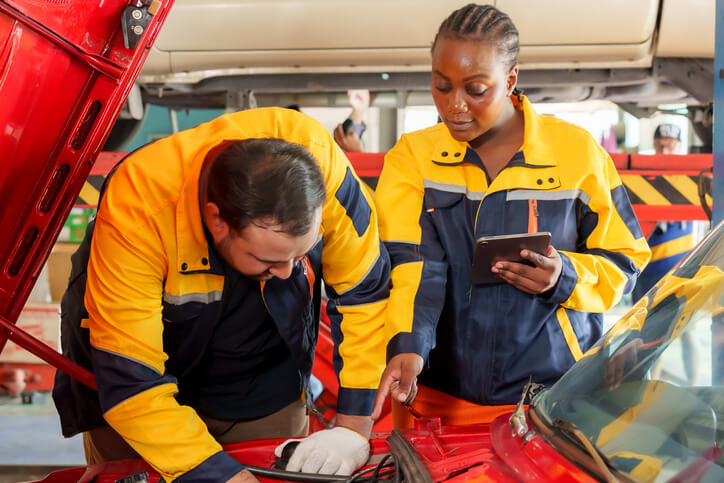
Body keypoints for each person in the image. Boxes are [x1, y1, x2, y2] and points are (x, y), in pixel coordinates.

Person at [53, 107, 390, 482]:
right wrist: (221, 476)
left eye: (301, 255)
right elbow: (132, 384)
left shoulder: (322, 163)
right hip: (138, 394)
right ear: (217, 221)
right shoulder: (139, 206)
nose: (289, 272)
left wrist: (354, 425)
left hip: (261, 379)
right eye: (268, 259)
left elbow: (366, 295)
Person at [371, 3, 651, 428]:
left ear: (511, 79)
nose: (454, 107)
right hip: (440, 399)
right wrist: (408, 346)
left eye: (475, 90)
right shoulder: (414, 157)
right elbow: (413, 266)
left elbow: (625, 261)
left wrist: (564, 276)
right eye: (441, 86)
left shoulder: (577, 154)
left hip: (554, 400)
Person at [632, 122, 699, 382]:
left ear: (680, 147)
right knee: (647, 336)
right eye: (661, 145)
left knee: (688, 333)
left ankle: (695, 385)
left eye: (670, 145)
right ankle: (647, 388)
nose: (665, 150)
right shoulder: (643, 179)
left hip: (682, 271)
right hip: (647, 275)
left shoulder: (692, 180)